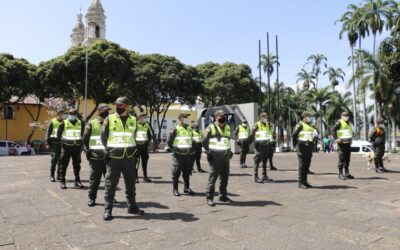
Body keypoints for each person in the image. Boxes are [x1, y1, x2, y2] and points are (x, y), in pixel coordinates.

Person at [101, 97, 144, 221]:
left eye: (121, 105)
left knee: (131, 184)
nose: (118, 107)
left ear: (127, 106)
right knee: (110, 184)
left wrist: (134, 150)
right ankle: (108, 209)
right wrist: (108, 150)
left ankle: (132, 207)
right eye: (117, 105)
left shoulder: (133, 120)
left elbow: (133, 136)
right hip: (114, 157)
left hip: (129, 158)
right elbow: (104, 137)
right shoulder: (110, 119)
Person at [203, 109, 233, 206]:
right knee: (213, 178)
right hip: (215, 156)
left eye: (224, 116)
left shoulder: (227, 127)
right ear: (216, 117)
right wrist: (208, 151)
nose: (223, 118)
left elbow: (227, 140)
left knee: (225, 178)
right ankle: (209, 197)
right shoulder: (210, 127)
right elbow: (204, 141)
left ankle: (223, 196)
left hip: (225, 156)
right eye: (221, 116)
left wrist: (229, 150)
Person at [83, 104, 110, 207]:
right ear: (99, 111)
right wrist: (87, 150)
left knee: (109, 180)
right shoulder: (91, 123)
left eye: (107, 111)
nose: (106, 112)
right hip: (96, 156)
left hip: (108, 157)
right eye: (104, 111)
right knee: (95, 180)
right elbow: (85, 138)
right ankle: (92, 198)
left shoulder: (111, 123)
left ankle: (110, 197)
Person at [167, 112, 196, 196]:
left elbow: (191, 140)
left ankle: (186, 188)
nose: (186, 118)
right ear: (180, 118)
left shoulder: (189, 128)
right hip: (178, 154)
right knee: (176, 171)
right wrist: (174, 149)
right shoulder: (175, 128)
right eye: (185, 117)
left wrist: (192, 149)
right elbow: (169, 142)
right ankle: (175, 189)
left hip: (187, 153)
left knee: (187, 171)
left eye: (187, 117)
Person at [57, 108, 85, 189]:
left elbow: (83, 135)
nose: (71, 115)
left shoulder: (81, 123)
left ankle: (77, 181)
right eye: (70, 114)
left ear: (76, 115)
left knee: (77, 165)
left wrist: (82, 146)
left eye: (73, 114)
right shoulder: (64, 122)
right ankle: (62, 181)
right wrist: (61, 146)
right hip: (66, 147)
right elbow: (59, 135)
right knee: (64, 164)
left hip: (77, 147)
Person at [249, 112, 274, 183]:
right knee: (257, 160)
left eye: (266, 117)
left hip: (266, 145)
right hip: (259, 146)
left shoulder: (267, 125)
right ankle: (256, 177)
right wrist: (255, 142)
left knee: (265, 160)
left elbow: (269, 133)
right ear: (260, 118)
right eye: (264, 117)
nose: (265, 118)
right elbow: (251, 135)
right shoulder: (256, 125)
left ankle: (264, 176)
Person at [292, 112, 314, 189]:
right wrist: (295, 146)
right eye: (308, 116)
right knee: (302, 165)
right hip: (301, 147)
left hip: (308, 147)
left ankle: (305, 182)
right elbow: (294, 135)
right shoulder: (300, 124)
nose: (310, 118)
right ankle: (300, 182)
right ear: (304, 117)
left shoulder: (309, 125)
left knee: (307, 165)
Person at [332, 112, 354, 180]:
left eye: (347, 116)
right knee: (342, 159)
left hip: (348, 143)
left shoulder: (349, 123)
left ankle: (347, 173)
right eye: (345, 116)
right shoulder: (339, 122)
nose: (346, 117)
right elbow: (333, 129)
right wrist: (336, 138)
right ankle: (340, 173)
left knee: (347, 159)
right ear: (341, 116)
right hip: (341, 144)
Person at [46, 109, 66, 182]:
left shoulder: (65, 122)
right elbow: (48, 132)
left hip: (63, 143)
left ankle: (59, 175)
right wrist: (47, 143)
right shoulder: (53, 121)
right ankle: (52, 175)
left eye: (63, 114)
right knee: (54, 159)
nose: (62, 115)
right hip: (54, 143)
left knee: (61, 160)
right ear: (58, 114)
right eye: (61, 114)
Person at [135, 113, 153, 183]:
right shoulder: (135, 126)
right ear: (139, 118)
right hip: (137, 147)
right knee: (136, 163)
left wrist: (147, 143)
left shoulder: (146, 125)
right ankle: (135, 177)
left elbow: (149, 135)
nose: (145, 119)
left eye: (145, 118)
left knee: (145, 163)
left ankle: (145, 177)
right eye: (143, 117)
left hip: (144, 147)